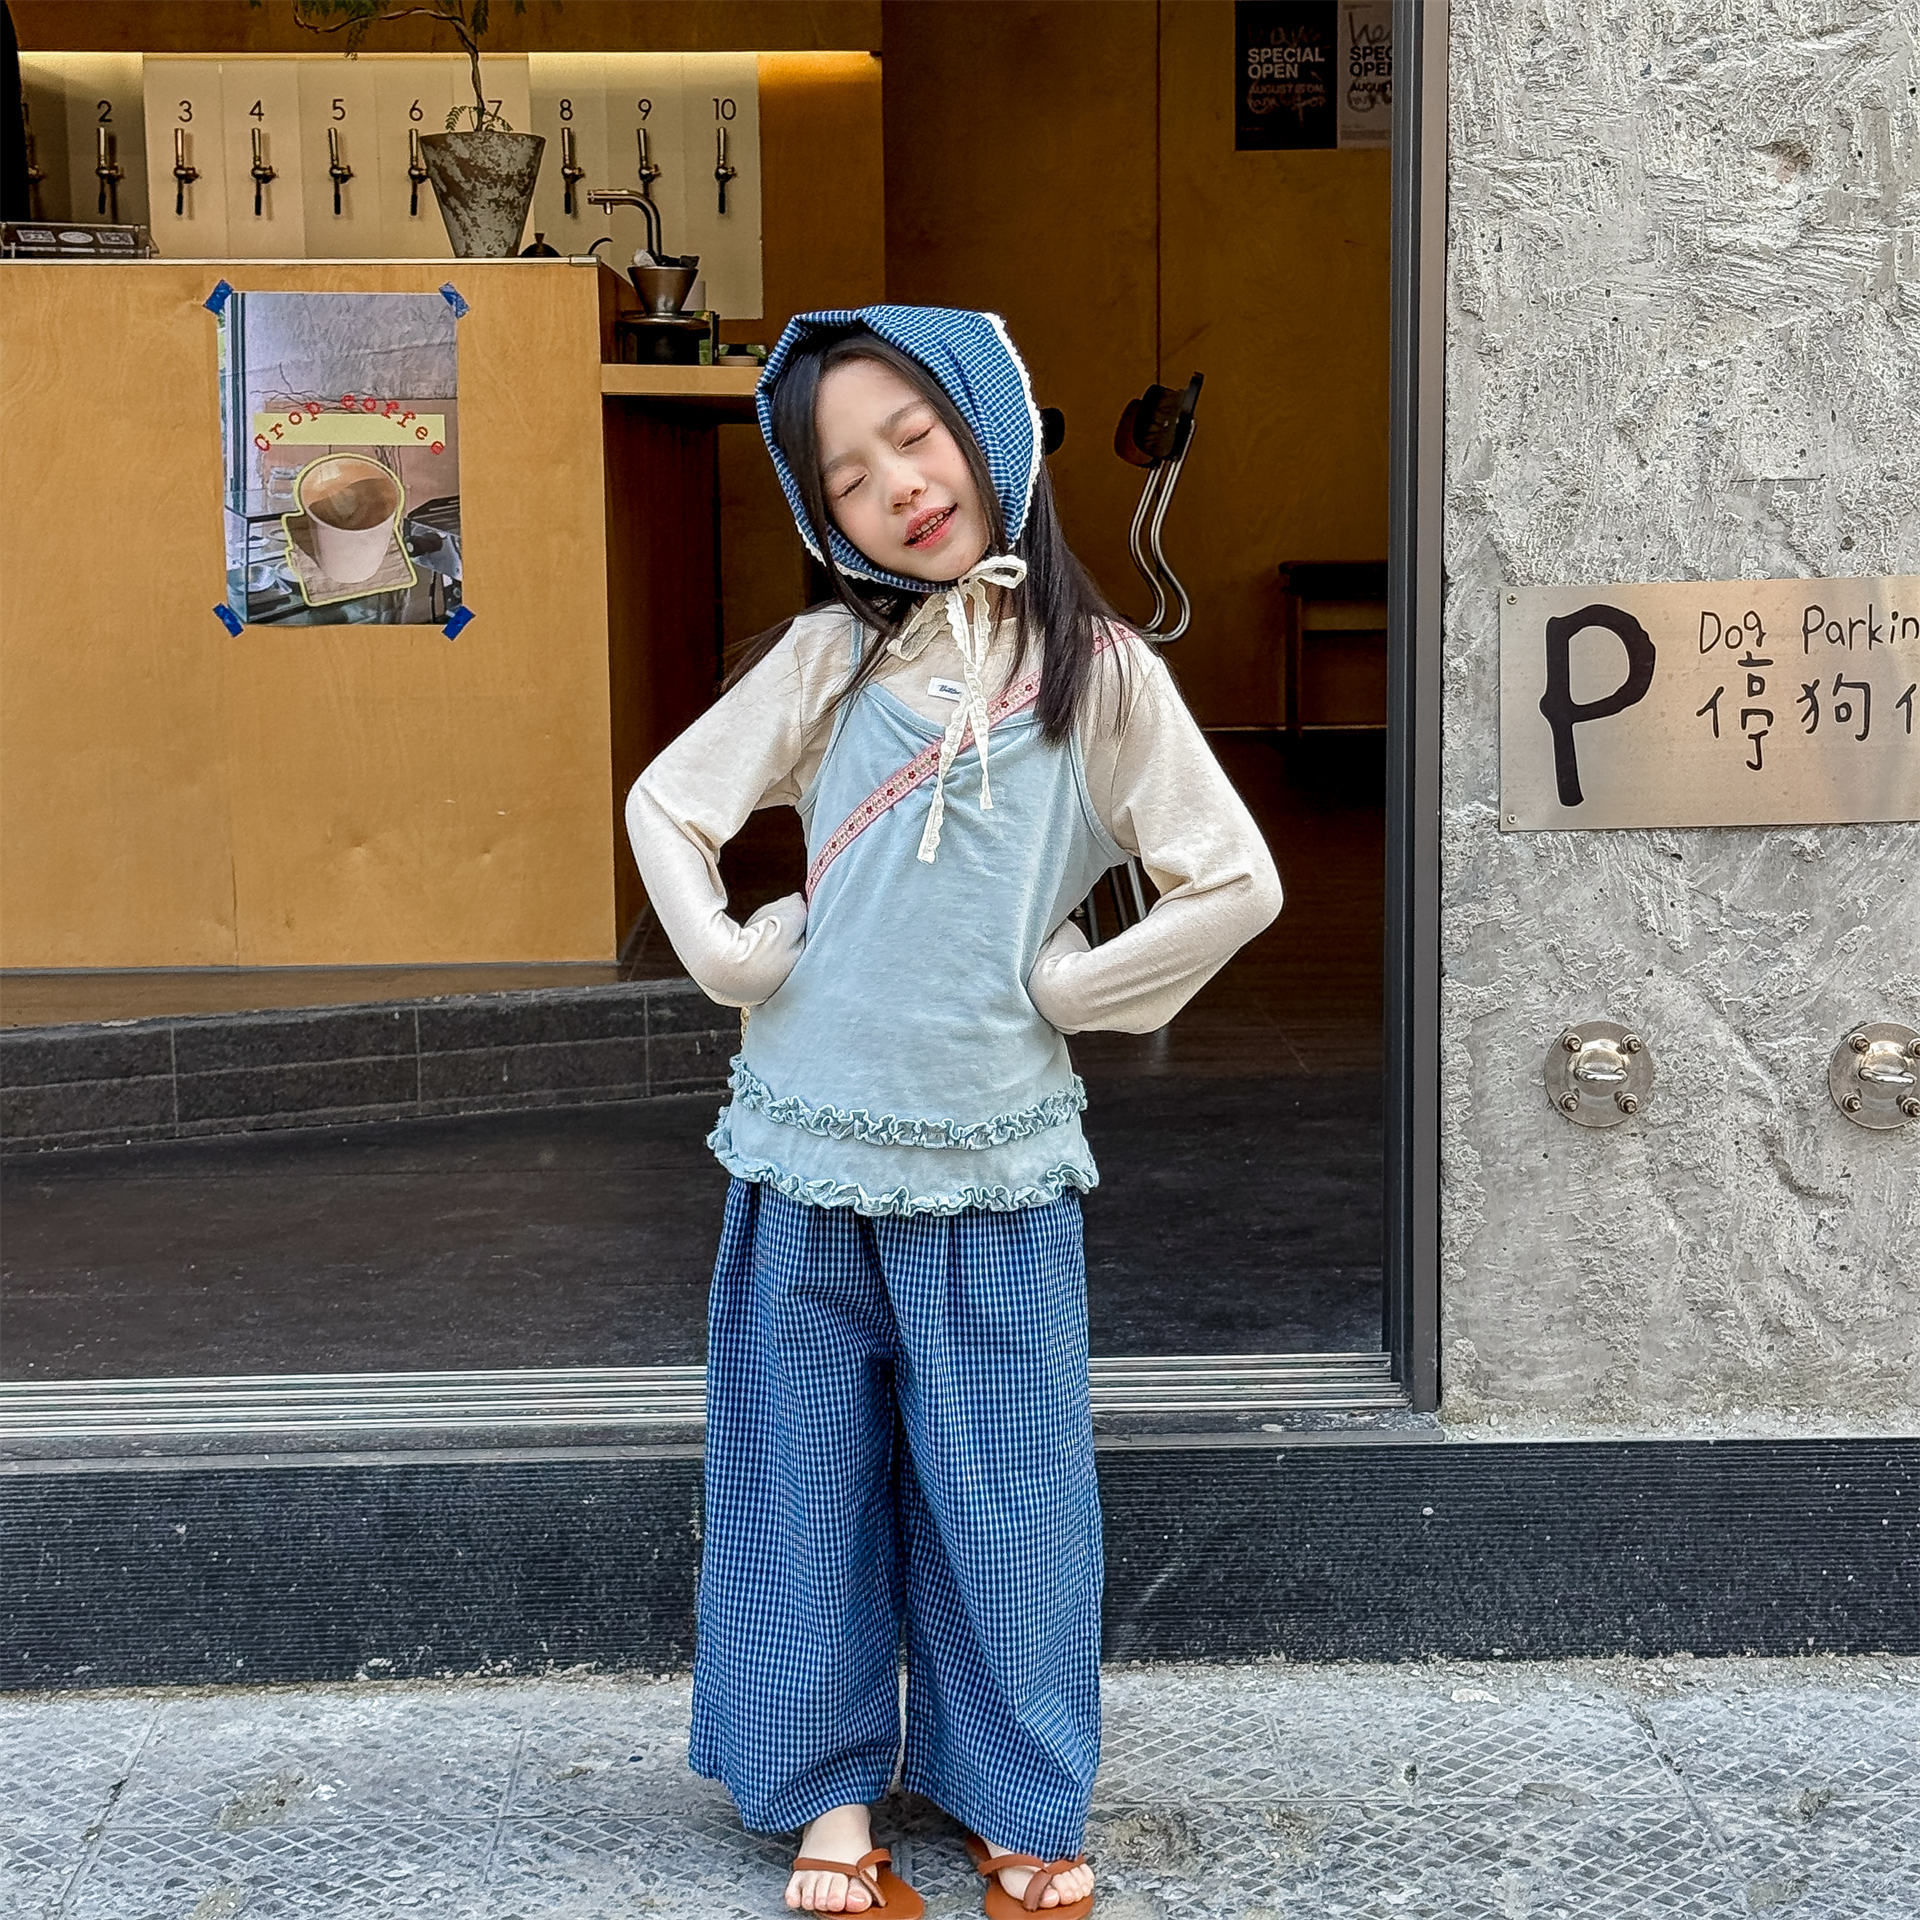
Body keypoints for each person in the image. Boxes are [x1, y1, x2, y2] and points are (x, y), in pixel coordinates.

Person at [625, 305, 1282, 1919]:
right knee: (799, 1486)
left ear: (989, 424)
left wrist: (1084, 992)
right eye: (847, 477)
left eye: (914, 437)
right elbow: (670, 804)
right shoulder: (829, 660)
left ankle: (1012, 1791)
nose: (897, 488)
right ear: (821, 515)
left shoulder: (1101, 678)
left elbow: (1235, 881)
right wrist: (726, 954)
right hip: (800, 1153)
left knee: (1010, 1499)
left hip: (991, 1167)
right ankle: (827, 1790)